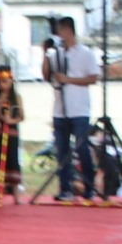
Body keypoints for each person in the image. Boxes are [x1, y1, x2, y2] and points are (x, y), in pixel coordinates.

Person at [40, 15, 99, 201]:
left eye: (60, 30)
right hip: (60, 109)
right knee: (61, 150)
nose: (58, 34)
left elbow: (93, 78)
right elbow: (46, 75)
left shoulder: (85, 53)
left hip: (79, 109)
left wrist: (69, 80)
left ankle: (89, 187)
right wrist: (46, 53)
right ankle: (65, 188)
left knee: (82, 150)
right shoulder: (56, 53)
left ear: (68, 30)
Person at [0, 64, 23, 204]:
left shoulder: (16, 97)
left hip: (11, 134)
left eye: (4, 81)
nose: (2, 85)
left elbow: (22, 116)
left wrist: (11, 119)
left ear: (11, 81)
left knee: (12, 161)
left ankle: (16, 195)